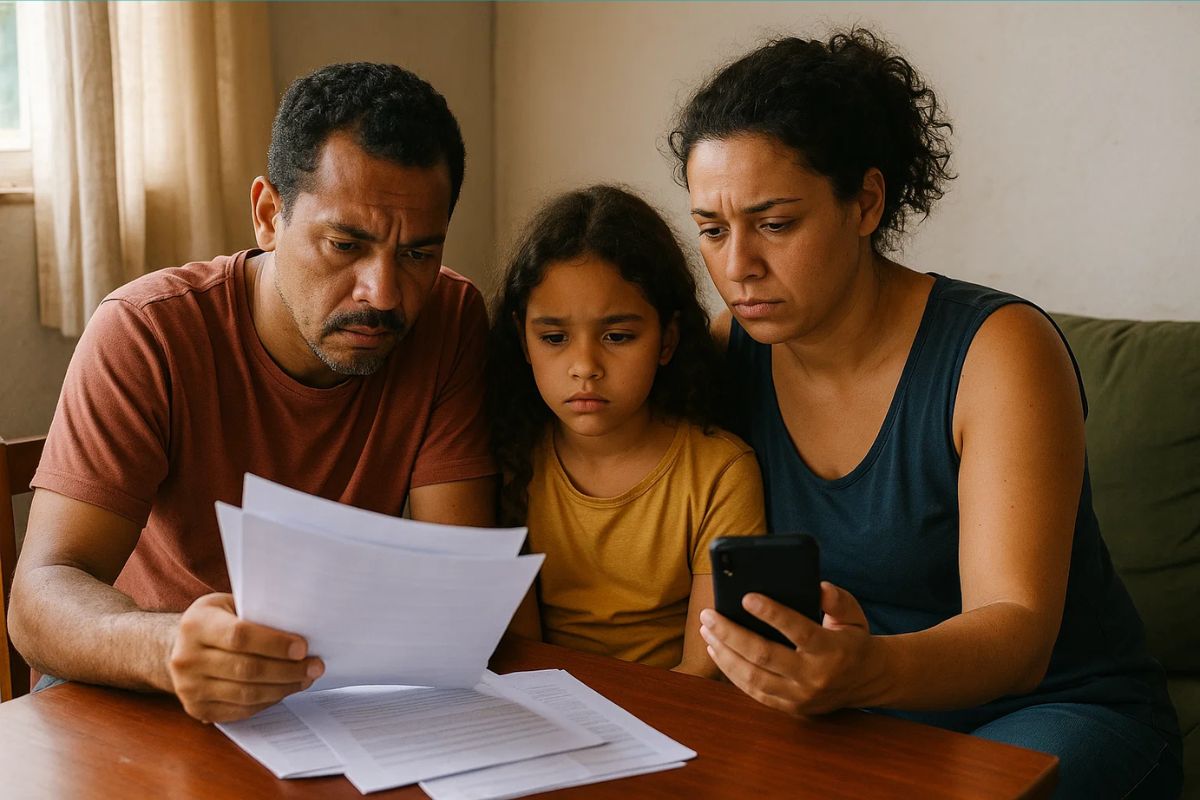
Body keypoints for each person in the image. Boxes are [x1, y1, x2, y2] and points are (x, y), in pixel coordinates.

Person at [668, 29, 1182, 797]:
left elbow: (1017, 632)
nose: (736, 265)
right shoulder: (729, 349)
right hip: (857, 721)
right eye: (712, 230)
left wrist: (867, 670)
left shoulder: (998, 350)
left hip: (1055, 711)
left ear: (866, 202)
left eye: (775, 224)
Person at [9, 63, 497, 723]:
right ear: (269, 216)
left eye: (417, 255)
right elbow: (38, 599)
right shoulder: (147, 330)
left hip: (332, 696)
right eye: (345, 244)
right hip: (134, 696)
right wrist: (168, 646)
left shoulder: (449, 318)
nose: (383, 295)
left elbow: (452, 583)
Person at [487, 185, 765, 677]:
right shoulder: (511, 459)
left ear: (667, 339)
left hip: (678, 717)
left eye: (618, 336)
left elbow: (706, 669)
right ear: (523, 341)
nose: (585, 367)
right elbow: (522, 655)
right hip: (546, 718)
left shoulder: (721, 472)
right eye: (554, 338)